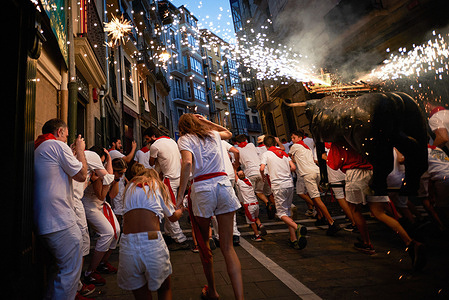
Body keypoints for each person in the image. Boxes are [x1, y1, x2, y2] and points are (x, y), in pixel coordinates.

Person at [327, 142, 426, 271]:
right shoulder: (364, 135)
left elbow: (334, 164)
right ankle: (410, 242)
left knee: (355, 210)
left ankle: (366, 243)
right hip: (374, 173)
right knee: (379, 213)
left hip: (355, 173)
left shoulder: (339, 140)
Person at [176, 114, 243, 300]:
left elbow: (187, 162)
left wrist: (179, 197)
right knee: (228, 248)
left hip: (203, 189)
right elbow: (228, 133)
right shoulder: (213, 134)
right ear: (198, 123)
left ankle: (212, 291)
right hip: (223, 186)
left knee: (204, 244)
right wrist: (207, 122)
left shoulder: (184, 139)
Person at [34, 118, 87, 299]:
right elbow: (81, 175)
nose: (66, 139)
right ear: (60, 132)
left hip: (46, 222)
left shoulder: (41, 147)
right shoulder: (57, 146)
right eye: (66, 135)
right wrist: (80, 151)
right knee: (69, 274)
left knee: (58, 271)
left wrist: (70, 154)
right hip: (60, 221)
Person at [117, 167, 185, 300]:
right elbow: (172, 217)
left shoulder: (129, 187)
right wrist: (181, 210)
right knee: (164, 289)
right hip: (152, 243)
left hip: (127, 246)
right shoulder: (158, 186)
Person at [72, 146, 115, 296]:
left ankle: (90, 272)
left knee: (112, 232)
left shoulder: (86, 159)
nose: (100, 167)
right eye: (102, 162)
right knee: (84, 242)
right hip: (85, 205)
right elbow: (108, 179)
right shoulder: (93, 159)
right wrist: (109, 160)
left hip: (85, 204)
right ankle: (86, 275)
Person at [82, 158, 126, 285]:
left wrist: (116, 181)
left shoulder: (114, 177)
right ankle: (90, 271)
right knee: (107, 233)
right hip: (90, 205)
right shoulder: (100, 176)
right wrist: (108, 179)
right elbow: (101, 195)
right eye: (120, 173)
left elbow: (112, 195)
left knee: (116, 231)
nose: (121, 176)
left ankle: (102, 262)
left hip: (101, 205)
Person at [144, 126, 190, 251]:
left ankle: (180, 238)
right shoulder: (172, 141)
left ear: (153, 136)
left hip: (168, 179)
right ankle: (169, 234)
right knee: (169, 207)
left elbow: (151, 163)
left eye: (148, 139)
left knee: (169, 210)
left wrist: (151, 151)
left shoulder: (155, 146)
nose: (147, 142)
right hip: (179, 177)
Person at [260, 135, 308, 250]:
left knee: (281, 213)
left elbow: (262, 169)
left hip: (278, 186)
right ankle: (293, 239)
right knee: (287, 212)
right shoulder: (284, 153)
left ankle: (298, 227)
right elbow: (293, 167)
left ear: (265, 145)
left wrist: (263, 177)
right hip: (289, 185)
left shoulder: (266, 154)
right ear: (275, 143)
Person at [289, 130, 341, 236]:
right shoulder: (306, 147)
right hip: (316, 171)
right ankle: (320, 216)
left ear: (300, 138)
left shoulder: (295, 146)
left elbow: (287, 156)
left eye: (294, 138)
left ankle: (331, 222)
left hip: (308, 174)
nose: (292, 140)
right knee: (315, 198)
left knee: (316, 199)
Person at [235, 134, 275, 217]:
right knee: (259, 192)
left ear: (237, 142)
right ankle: (268, 203)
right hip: (260, 171)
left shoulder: (237, 149)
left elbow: (238, 162)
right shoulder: (251, 145)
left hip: (250, 173)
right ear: (246, 140)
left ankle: (253, 217)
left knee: (249, 195)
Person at [211, 140, 241, 247]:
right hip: (230, 175)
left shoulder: (203, 142)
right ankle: (235, 233)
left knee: (215, 207)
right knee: (230, 204)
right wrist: (236, 163)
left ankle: (220, 236)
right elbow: (236, 151)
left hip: (217, 176)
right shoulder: (221, 141)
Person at [236, 170, 267, 241]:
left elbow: (235, 176)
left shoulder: (240, 183)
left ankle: (257, 236)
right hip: (256, 203)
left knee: (252, 222)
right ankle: (260, 225)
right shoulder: (248, 181)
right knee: (256, 217)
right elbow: (242, 176)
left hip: (249, 205)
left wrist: (234, 168)